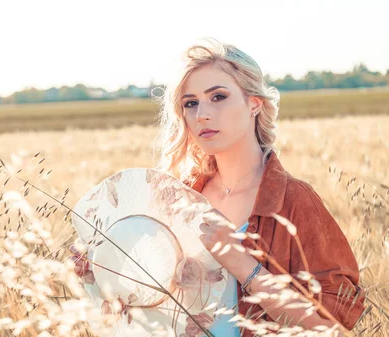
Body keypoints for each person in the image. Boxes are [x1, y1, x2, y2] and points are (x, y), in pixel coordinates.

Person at [152, 38, 366, 337]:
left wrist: (243, 264)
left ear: (254, 104)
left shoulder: (294, 201)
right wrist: (104, 274)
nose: (202, 114)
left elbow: (332, 330)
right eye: (191, 103)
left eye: (218, 97)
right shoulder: (176, 198)